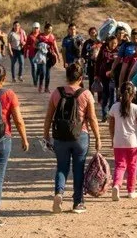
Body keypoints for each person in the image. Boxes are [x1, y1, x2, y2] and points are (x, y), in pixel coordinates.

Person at [43, 63, 101, 214]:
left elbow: (49, 116)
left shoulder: (57, 92)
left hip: (60, 136)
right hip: (80, 136)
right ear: (81, 78)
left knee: (62, 167)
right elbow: (92, 118)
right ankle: (78, 203)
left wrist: (46, 135)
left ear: (66, 76)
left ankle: (59, 193)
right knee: (78, 169)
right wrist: (97, 137)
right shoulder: (86, 94)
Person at [0, 64, 29, 227]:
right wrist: (24, 139)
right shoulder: (8, 94)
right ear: (4, 78)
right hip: (3, 138)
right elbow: (18, 120)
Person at [108, 82, 137, 200]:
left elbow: (111, 125)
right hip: (132, 142)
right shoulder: (136, 108)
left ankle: (116, 185)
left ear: (120, 92)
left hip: (118, 141)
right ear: (133, 94)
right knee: (132, 166)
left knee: (119, 166)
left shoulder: (114, 107)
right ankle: (131, 190)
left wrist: (112, 138)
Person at [95, 35, 118, 122]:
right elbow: (98, 62)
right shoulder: (103, 50)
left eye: (115, 43)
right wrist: (96, 75)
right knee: (105, 96)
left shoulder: (118, 51)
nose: (114, 45)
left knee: (113, 97)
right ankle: (104, 114)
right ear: (108, 43)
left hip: (113, 77)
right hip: (103, 77)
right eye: (112, 43)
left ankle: (111, 115)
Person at [37, 23, 61, 94]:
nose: (50, 31)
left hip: (50, 56)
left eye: (51, 30)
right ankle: (40, 86)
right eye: (49, 29)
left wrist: (58, 55)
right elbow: (34, 45)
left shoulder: (52, 36)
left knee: (48, 72)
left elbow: (55, 46)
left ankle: (46, 88)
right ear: (45, 29)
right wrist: (41, 46)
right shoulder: (40, 36)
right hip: (42, 56)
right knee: (43, 72)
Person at [24, 22, 40, 87]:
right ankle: (35, 81)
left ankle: (37, 79)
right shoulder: (30, 36)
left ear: (39, 28)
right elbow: (26, 45)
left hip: (39, 55)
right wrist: (25, 53)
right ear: (32, 28)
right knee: (34, 67)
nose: (36, 29)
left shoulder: (41, 35)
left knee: (39, 68)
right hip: (32, 54)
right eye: (34, 28)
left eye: (37, 28)